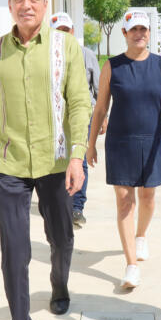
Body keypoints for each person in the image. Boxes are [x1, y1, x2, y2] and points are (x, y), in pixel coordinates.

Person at [0, 0, 91, 320]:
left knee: (60, 237)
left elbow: (79, 102)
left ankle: (59, 283)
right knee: (14, 253)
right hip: (9, 164)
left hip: (57, 162)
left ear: (45, 4)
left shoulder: (66, 46)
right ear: (9, 5)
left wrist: (78, 156)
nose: (26, 4)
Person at [86, 10, 161, 289]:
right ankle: (131, 265)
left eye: (144, 29)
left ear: (149, 33)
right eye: (134, 29)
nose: (139, 33)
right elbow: (101, 107)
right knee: (124, 200)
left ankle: (140, 236)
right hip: (120, 142)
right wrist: (91, 144)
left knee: (148, 196)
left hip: (153, 140)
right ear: (124, 34)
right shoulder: (111, 66)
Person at [49, 12, 106, 228]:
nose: (63, 35)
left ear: (72, 31)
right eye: (58, 31)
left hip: (83, 116)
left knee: (78, 158)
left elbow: (100, 89)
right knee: (57, 160)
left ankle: (76, 207)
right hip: (55, 117)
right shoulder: (46, 58)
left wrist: (103, 117)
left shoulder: (87, 55)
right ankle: (61, 202)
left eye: (66, 30)